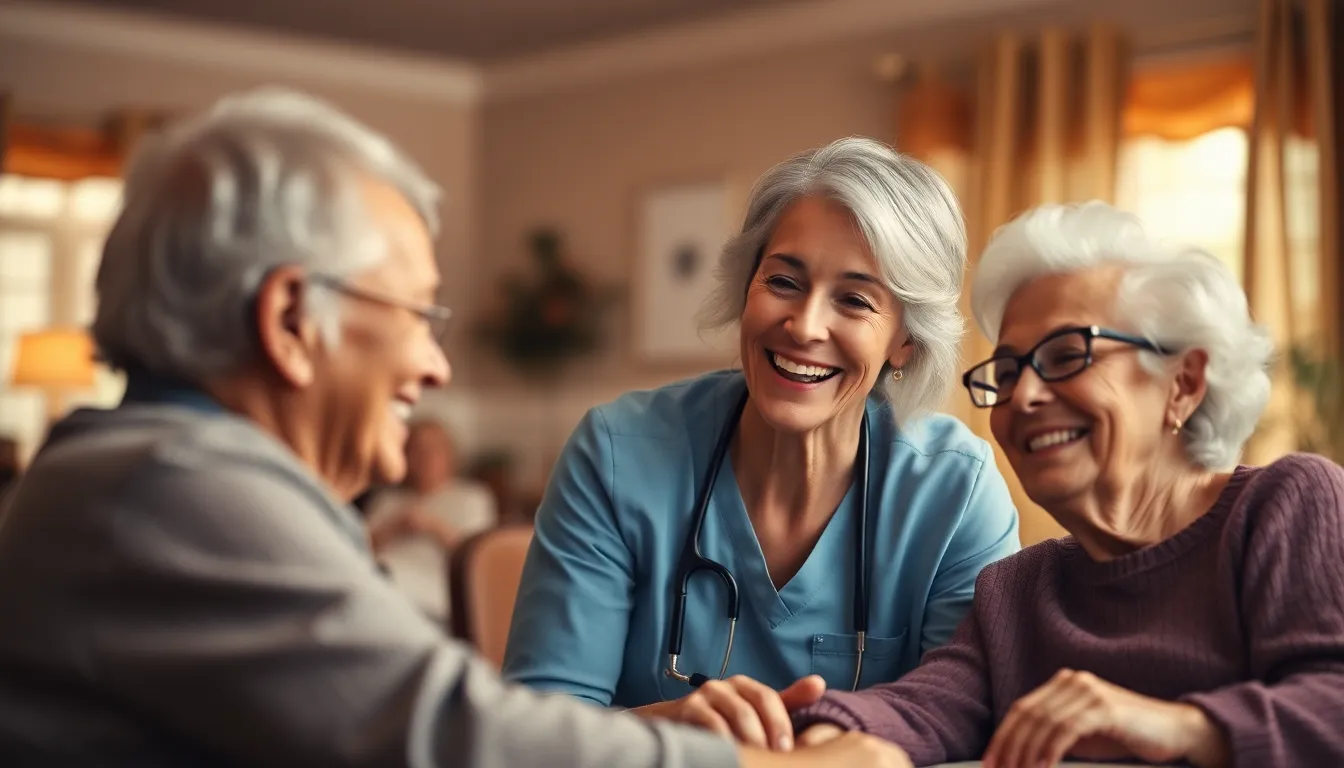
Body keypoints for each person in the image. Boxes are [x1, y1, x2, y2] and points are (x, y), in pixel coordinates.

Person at [0, 88, 911, 768]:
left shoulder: (175, 476)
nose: (435, 369)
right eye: (416, 316)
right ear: (290, 321)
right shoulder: (174, 492)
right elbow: (453, 737)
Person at [502, 137, 1021, 750]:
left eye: (854, 300)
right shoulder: (617, 454)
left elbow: (967, 725)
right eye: (783, 281)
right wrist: (671, 730)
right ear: (746, 286)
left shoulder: (955, 491)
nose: (804, 326)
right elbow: (532, 737)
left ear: (905, 342)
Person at [788, 201, 1344, 767]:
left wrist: (1181, 726)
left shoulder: (1285, 506)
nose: (1024, 396)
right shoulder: (1019, 589)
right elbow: (923, 708)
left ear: (1182, 383)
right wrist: (802, 728)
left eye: (1066, 355)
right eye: (1008, 372)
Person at [366, 419, 497, 621]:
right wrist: (394, 528)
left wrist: (432, 527)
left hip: (432, 588)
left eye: (433, 449)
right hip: (378, 581)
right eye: (417, 450)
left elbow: (477, 556)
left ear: (450, 455)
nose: (425, 457)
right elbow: (358, 548)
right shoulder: (387, 500)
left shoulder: (472, 498)